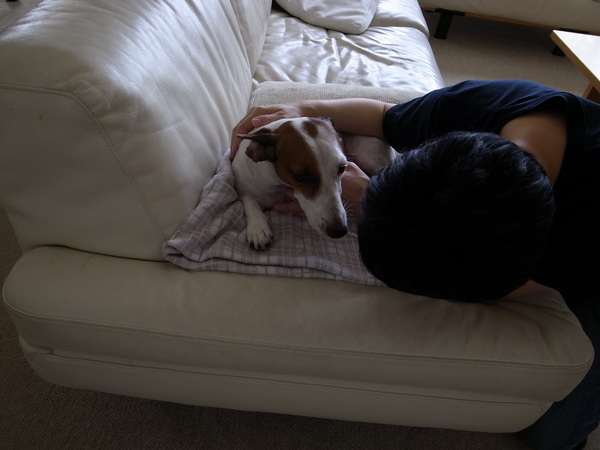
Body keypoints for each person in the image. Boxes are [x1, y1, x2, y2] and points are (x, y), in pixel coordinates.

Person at [230, 80, 600, 449]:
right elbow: (383, 115)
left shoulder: (578, 245)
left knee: (553, 438)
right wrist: (304, 110)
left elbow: (501, 284)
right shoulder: (465, 106)